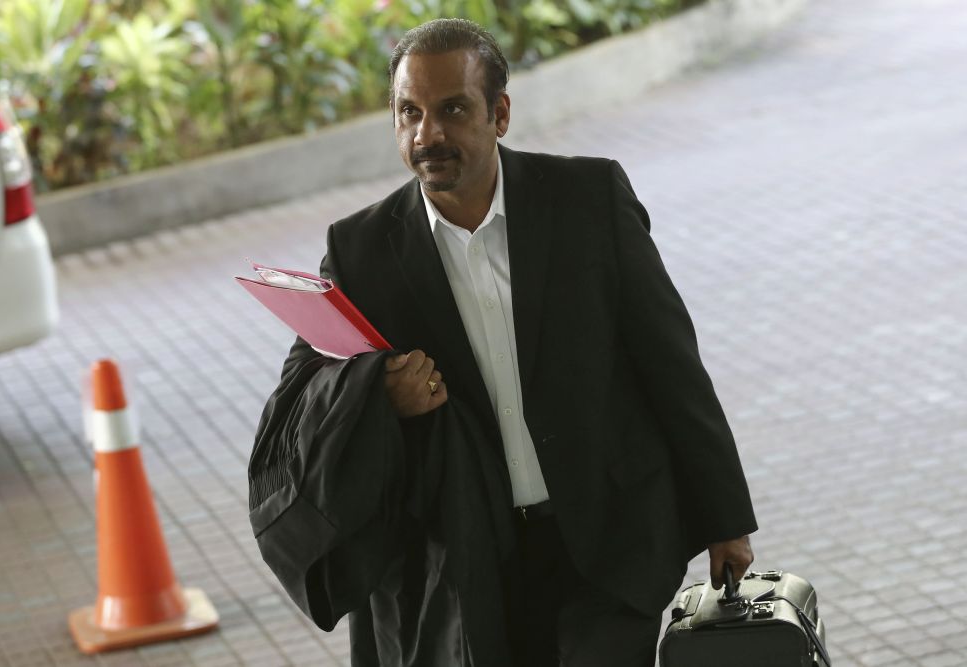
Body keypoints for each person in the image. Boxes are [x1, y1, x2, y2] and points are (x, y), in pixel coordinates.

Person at [253, 17, 757, 667]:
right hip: (468, 568)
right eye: (409, 113)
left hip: (607, 544)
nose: (427, 135)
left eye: (452, 109)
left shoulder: (588, 199)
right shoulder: (361, 250)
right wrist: (379, 394)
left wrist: (725, 518)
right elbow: (300, 397)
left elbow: (671, 363)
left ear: (500, 114)